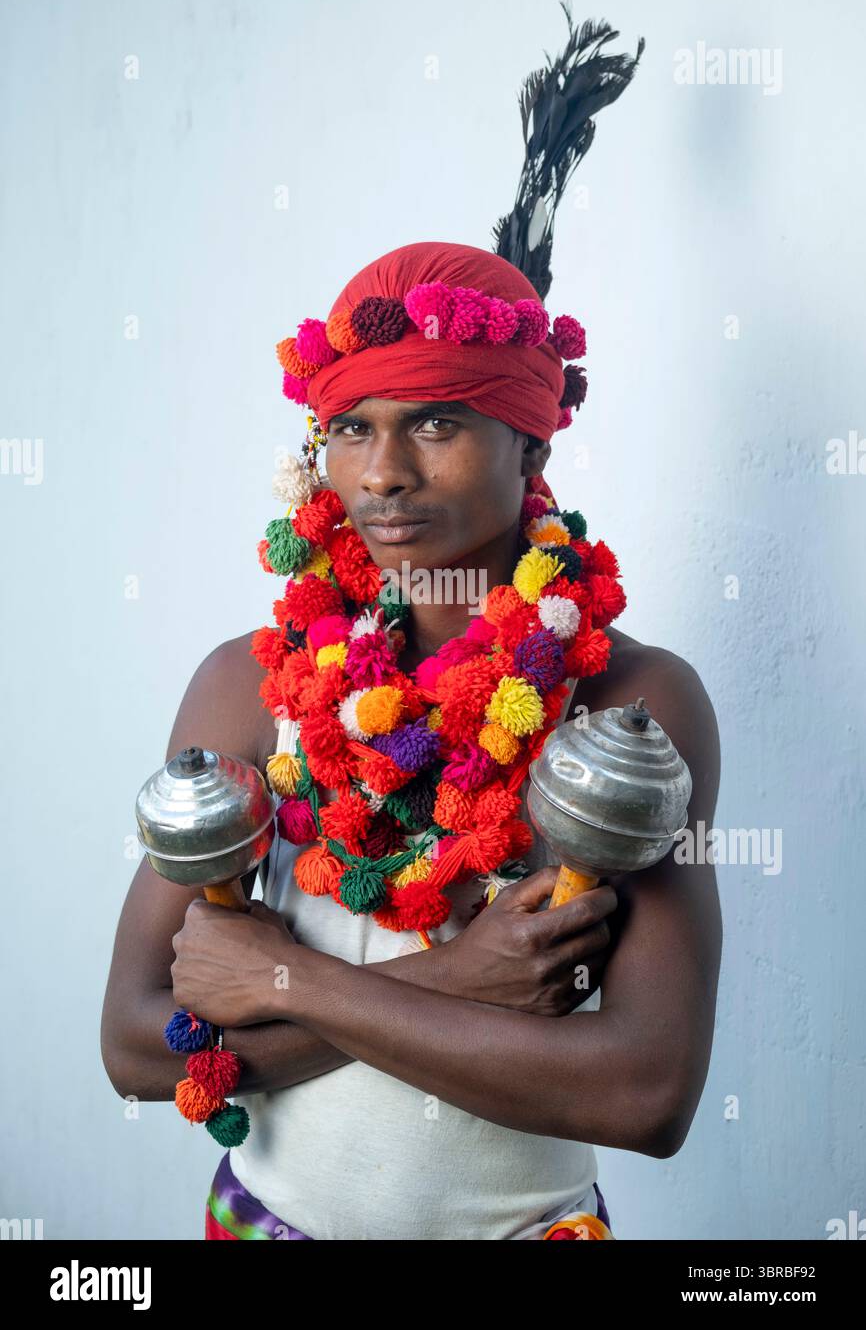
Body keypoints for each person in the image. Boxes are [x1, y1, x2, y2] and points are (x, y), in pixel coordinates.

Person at [101, 241, 722, 1241]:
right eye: (351, 428)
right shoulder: (249, 685)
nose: (384, 474)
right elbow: (135, 1046)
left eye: (435, 422)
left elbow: (644, 1091)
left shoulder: (628, 704)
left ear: (532, 441)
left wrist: (283, 981)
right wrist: (454, 979)